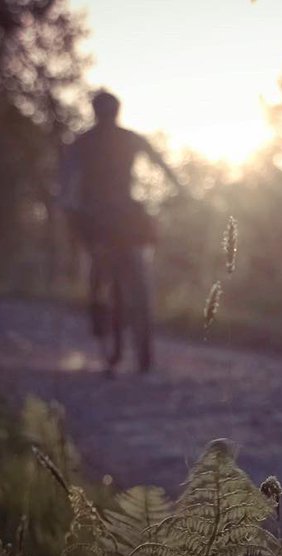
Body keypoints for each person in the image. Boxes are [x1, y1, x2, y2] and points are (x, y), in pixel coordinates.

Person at [59, 90, 187, 374]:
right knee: (128, 255)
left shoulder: (82, 142)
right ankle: (113, 308)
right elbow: (164, 167)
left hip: (100, 217)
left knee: (98, 260)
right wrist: (181, 190)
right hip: (124, 214)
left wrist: (69, 204)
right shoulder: (128, 138)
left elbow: (67, 180)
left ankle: (98, 309)